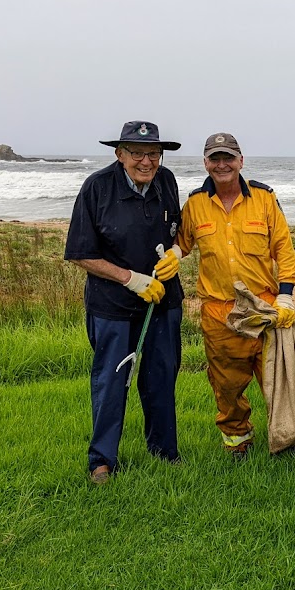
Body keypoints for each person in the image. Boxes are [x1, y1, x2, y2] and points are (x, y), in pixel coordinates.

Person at [174, 132, 295, 460]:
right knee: (226, 384)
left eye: (228, 157)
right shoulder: (195, 204)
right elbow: (182, 244)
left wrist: (286, 297)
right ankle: (237, 439)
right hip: (218, 312)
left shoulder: (264, 198)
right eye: (215, 159)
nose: (222, 164)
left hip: (263, 306)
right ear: (205, 164)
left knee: (281, 377)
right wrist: (168, 256)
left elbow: (285, 250)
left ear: (241, 161)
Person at [65, 120, 184, 485]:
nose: (146, 161)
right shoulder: (97, 188)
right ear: (120, 154)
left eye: (153, 154)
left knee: (161, 377)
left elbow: (177, 231)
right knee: (111, 381)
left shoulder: (167, 182)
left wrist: (177, 252)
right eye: (136, 153)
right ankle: (101, 461)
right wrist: (130, 279)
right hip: (112, 305)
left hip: (163, 302)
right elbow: (80, 253)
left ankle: (165, 452)